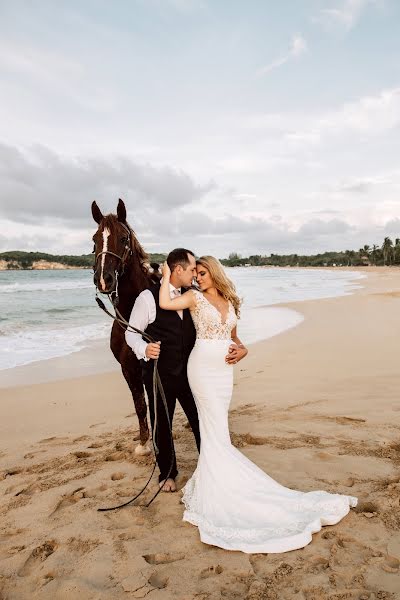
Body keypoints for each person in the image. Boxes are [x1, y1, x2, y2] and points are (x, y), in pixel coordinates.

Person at [159, 255, 358, 554]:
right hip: (200, 369)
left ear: (214, 272)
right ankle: (220, 484)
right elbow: (164, 303)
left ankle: (220, 477)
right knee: (211, 424)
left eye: (202, 273)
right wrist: (164, 275)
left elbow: (236, 339)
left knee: (218, 425)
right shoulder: (193, 299)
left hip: (224, 373)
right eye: (196, 274)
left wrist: (244, 351)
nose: (198, 278)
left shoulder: (230, 301)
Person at [125, 248, 200, 493]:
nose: (195, 274)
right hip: (159, 374)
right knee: (162, 424)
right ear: (178, 270)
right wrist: (144, 349)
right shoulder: (148, 298)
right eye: (191, 269)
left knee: (200, 420)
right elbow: (131, 333)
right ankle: (167, 473)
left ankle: (209, 467)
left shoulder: (193, 294)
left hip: (190, 373)